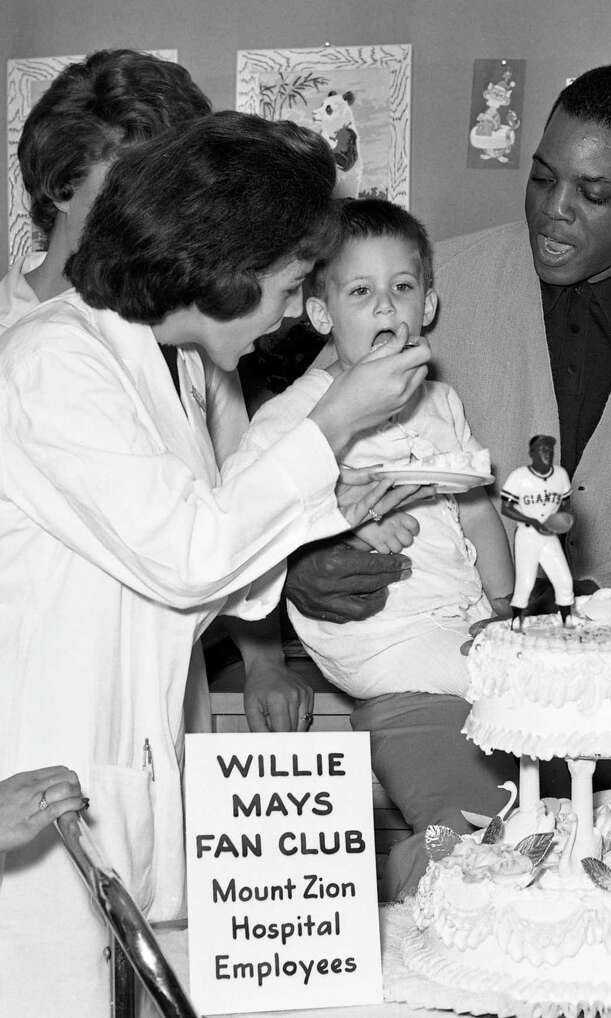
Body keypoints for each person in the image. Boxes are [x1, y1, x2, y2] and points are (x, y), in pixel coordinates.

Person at [0, 111, 431, 1017]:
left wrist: (320, 514)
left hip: (128, 786)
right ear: (223, 270)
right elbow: (187, 555)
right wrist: (335, 420)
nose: (285, 313)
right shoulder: (51, 363)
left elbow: (183, 583)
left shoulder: (175, 368)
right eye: (284, 287)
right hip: (41, 798)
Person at [286, 63, 611, 628]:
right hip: (434, 670)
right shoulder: (416, 292)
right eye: (543, 178)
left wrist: (592, 601)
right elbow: (305, 439)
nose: (554, 209)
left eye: (593, 193)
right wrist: (300, 556)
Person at [4, 48, 313, 734]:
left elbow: (234, 504)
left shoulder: (187, 343)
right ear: (60, 183)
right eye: (134, 184)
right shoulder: (29, 346)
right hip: (46, 700)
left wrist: (263, 659)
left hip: (157, 692)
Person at [224, 197, 517, 899]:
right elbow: (243, 520)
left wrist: (510, 616)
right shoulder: (295, 414)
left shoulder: (441, 403)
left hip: (459, 627)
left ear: (430, 302)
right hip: (385, 647)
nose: (386, 305)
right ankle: (421, 876)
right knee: (493, 780)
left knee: (517, 804)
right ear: (323, 313)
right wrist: (341, 523)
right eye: (361, 292)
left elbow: (476, 512)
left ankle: (440, 862)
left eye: (403, 287)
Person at [501, 435, 575, 626]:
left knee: (564, 580)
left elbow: (566, 503)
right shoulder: (519, 476)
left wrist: (563, 518)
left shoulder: (560, 475)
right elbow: (506, 508)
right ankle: (516, 622)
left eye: (550, 450)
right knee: (525, 583)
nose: (547, 454)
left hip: (549, 535)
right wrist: (532, 520)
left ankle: (567, 622)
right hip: (527, 535)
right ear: (532, 453)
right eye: (542, 450)